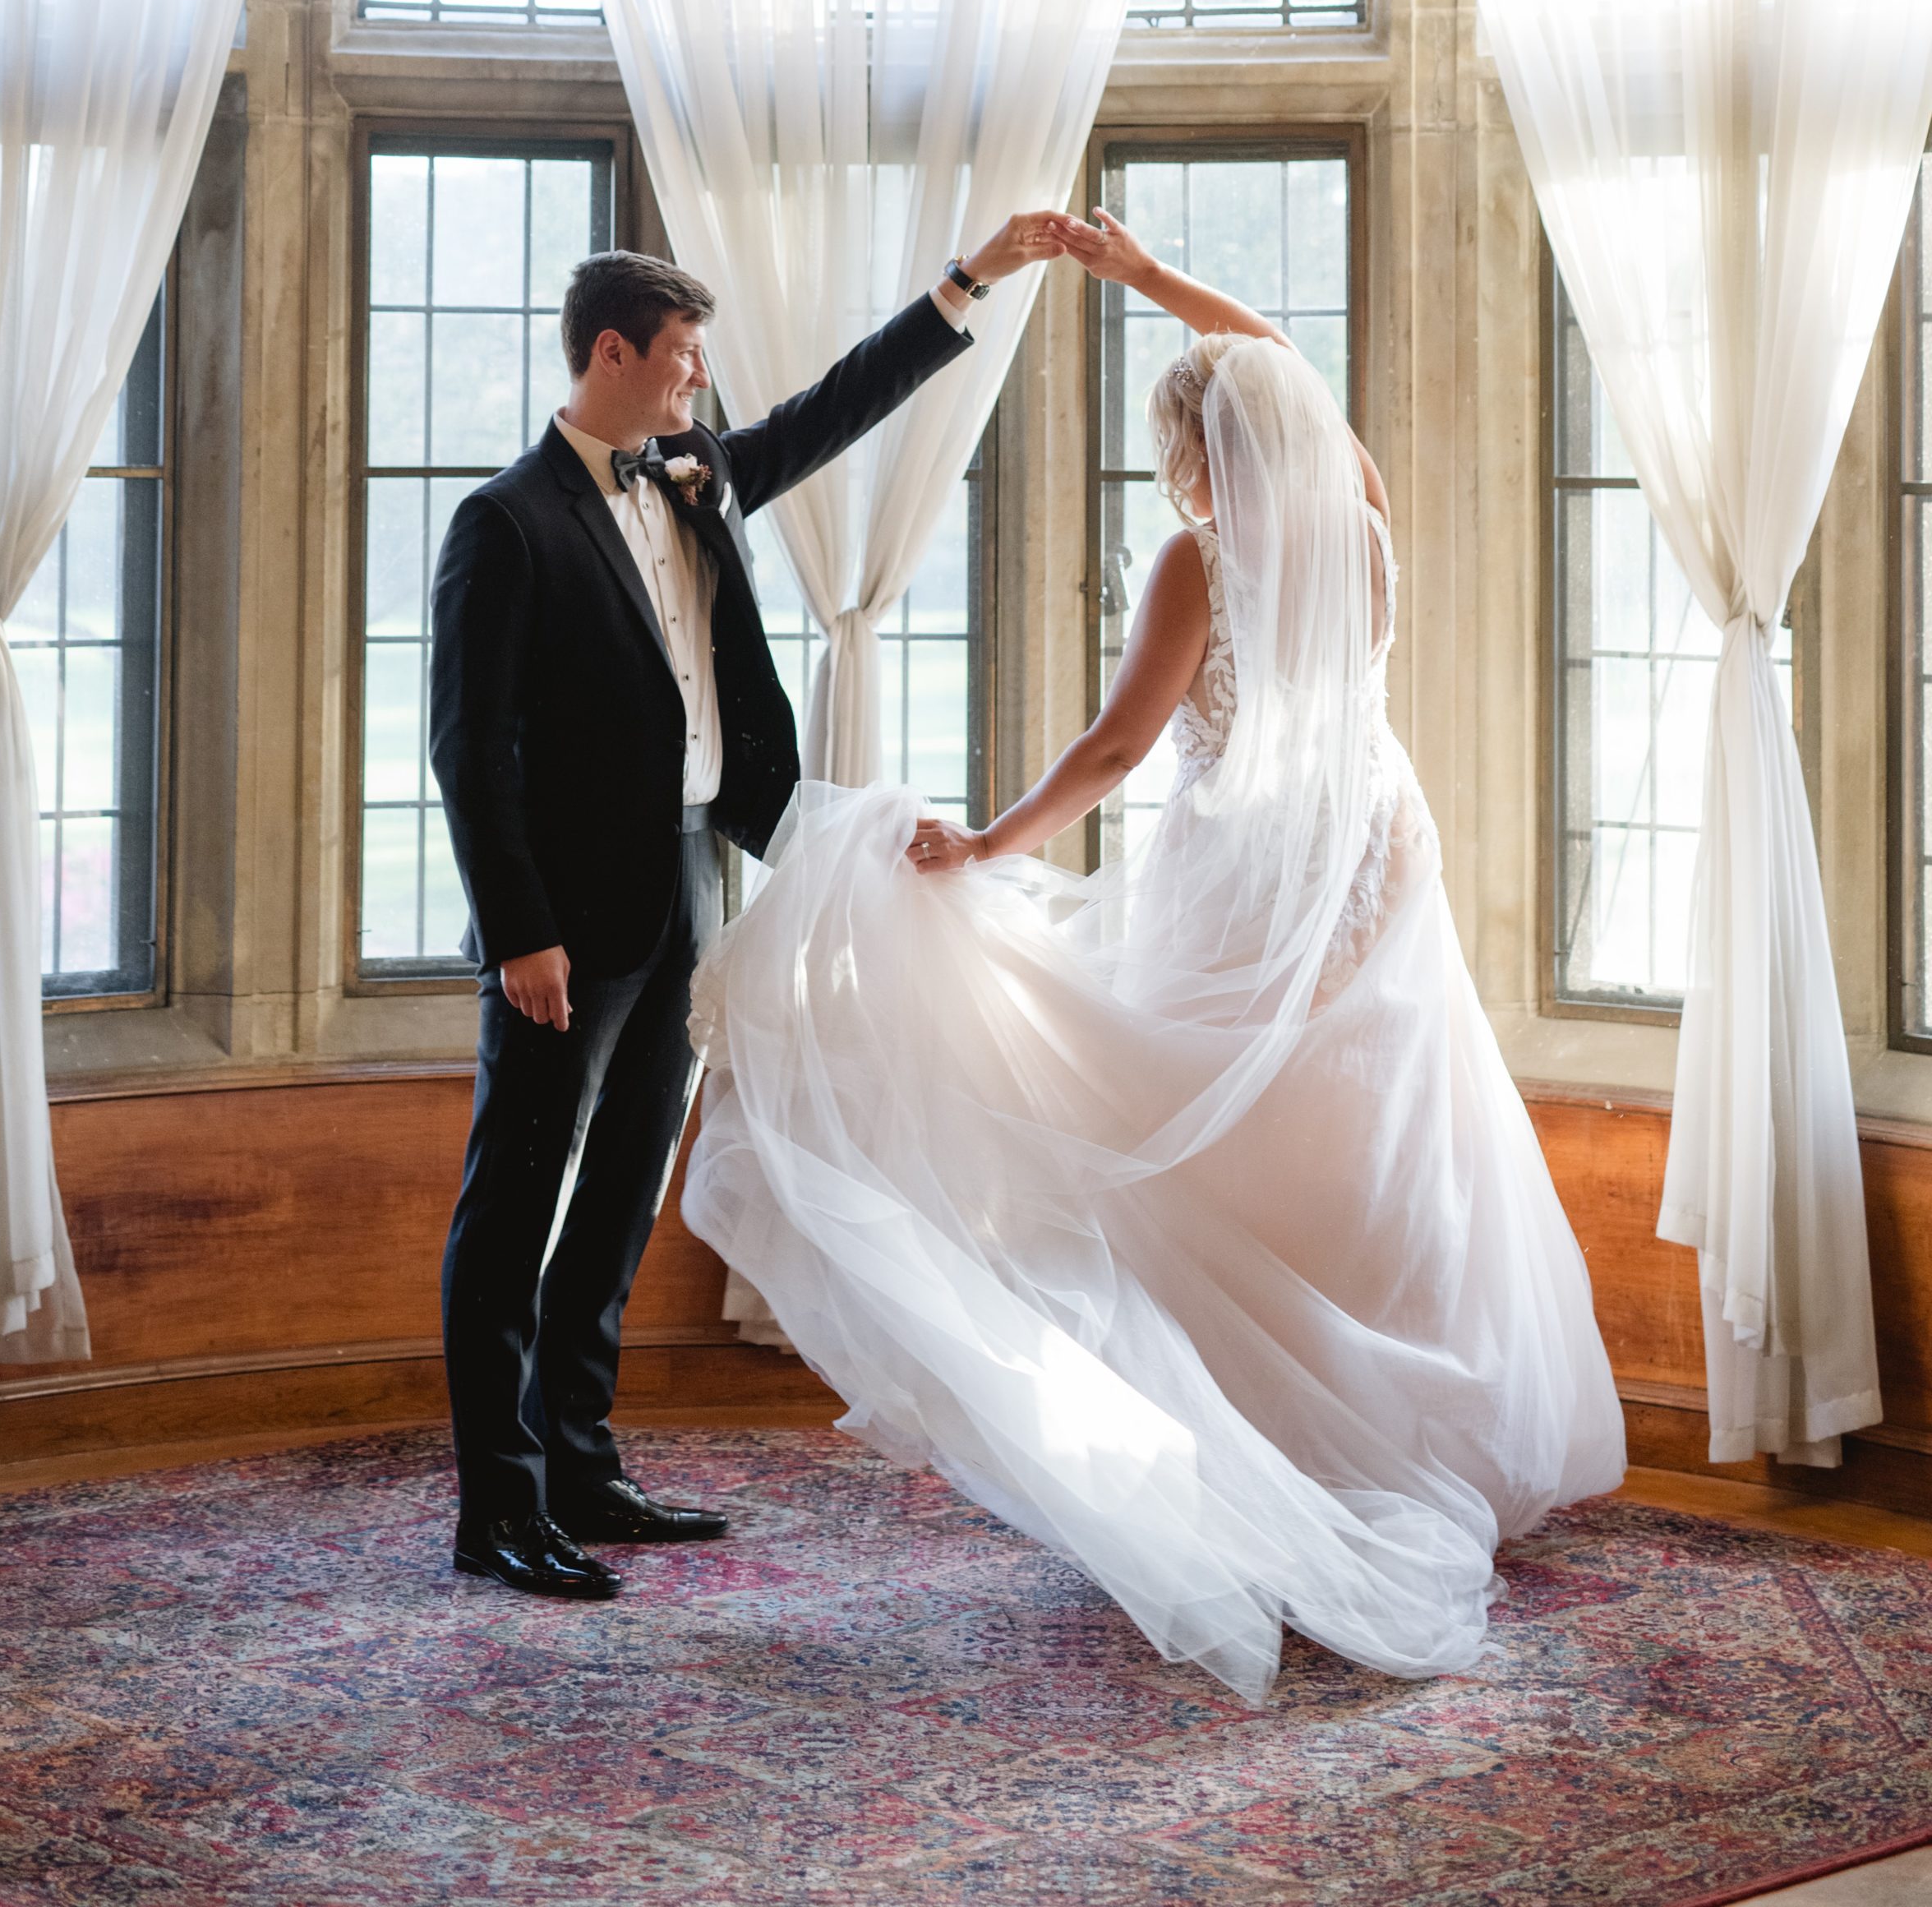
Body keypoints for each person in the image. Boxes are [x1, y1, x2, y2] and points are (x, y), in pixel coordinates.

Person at [682, 208, 1625, 1698]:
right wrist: (1155, 282)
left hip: (1249, 884)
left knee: (1193, 1164)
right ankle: (1384, 1442)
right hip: (1374, 864)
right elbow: (1274, 362)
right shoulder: (1361, 520)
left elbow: (1120, 744)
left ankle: (1264, 1474)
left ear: (1194, 449)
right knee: (1377, 1156)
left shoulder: (1201, 560)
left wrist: (990, 845)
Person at [427, 221, 1064, 1600]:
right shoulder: (505, 522)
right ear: (616, 351)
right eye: (684, 357)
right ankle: (499, 1510)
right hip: (563, 928)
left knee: (621, 1191)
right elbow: (468, 750)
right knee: (517, 1197)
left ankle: (581, 1467)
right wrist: (520, 928)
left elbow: (833, 409)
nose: (699, 383)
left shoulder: (698, 473)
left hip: (693, 892)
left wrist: (975, 278)